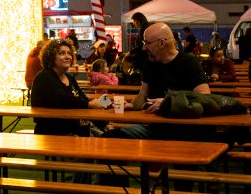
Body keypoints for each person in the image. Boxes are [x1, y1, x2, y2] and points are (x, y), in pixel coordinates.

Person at [101, 23, 213, 190]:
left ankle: (182, 189)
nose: (144, 48)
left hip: (184, 131)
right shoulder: (151, 64)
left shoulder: (189, 62)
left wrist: (169, 102)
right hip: (155, 129)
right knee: (109, 139)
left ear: (162, 43)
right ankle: (119, 189)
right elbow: (142, 95)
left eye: (147, 43)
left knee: (183, 167)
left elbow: (205, 97)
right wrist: (130, 104)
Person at [31, 39, 106, 136]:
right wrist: (89, 104)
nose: (67, 57)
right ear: (51, 57)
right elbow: (62, 99)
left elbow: (82, 99)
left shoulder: (69, 78)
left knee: (114, 135)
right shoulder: (44, 77)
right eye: (62, 53)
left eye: (69, 53)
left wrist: (105, 123)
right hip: (55, 134)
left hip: (78, 130)